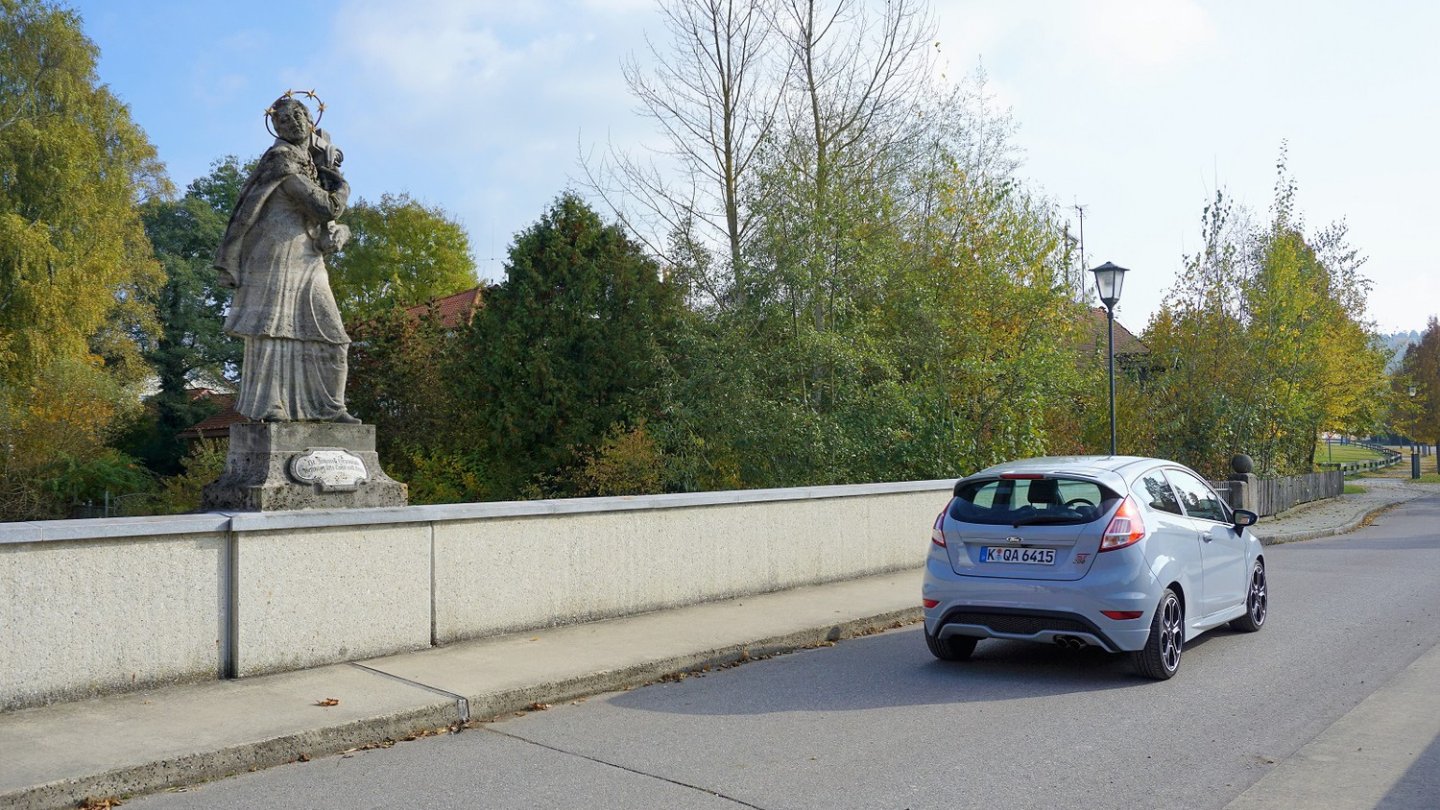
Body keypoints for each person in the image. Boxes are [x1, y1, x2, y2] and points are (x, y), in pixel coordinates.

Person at [215, 95, 359, 423]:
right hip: (276, 254)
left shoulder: (311, 165)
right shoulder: (282, 159)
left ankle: (330, 408)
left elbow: (327, 230)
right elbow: (326, 207)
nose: (290, 122)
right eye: (282, 120)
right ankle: (271, 406)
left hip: (308, 258)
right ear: (275, 128)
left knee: (333, 336)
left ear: (310, 119)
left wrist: (342, 232)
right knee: (274, 331)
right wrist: (340, 181)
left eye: (297, 115)